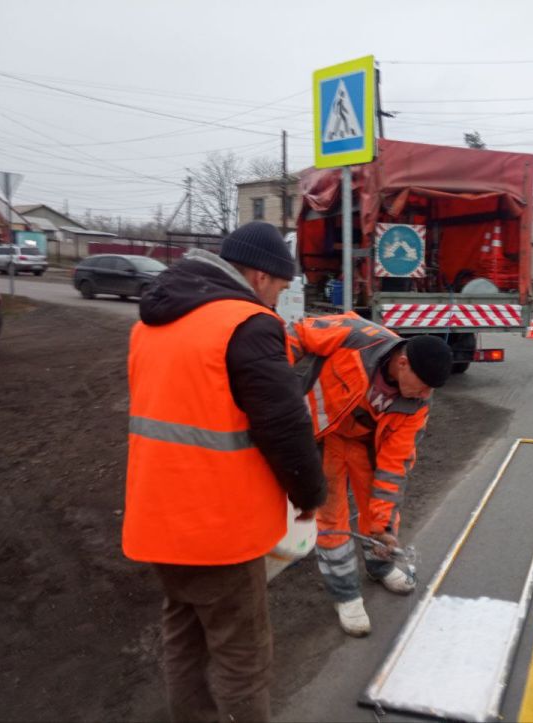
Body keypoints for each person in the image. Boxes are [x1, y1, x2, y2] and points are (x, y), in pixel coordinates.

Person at [122, 221, 327, 722]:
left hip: (156, 520)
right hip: (217, 530)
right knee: (243, 655)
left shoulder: (152, 321)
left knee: (184, 634)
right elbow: (284, 426)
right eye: (280, 286)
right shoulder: (247, 324)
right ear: (259, 277)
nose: (279, 299)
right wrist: (310, 495)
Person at [287, 313, 453, 636]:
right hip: (324, 438)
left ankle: (381, 564)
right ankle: (345, 594)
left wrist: (383, 527)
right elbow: (294, 334)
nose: (423, 396)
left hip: (365, 445)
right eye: (422, 387)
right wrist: (268, 379)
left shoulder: (416, 405)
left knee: (376, 512)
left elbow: (395, 466)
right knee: (332, 517)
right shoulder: (355, 336)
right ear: (402, 364)